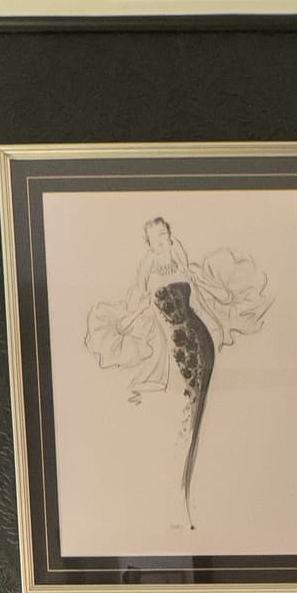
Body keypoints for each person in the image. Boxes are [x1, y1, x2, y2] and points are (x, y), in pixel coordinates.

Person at [83, 217, 273, 528]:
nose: (163, 239)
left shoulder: (180, 254)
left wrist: (221, 322)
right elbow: (141, 301)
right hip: (175, 347)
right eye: (156, 236)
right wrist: (123, 325)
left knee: (197, 412)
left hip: (199, 338)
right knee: (185, 414)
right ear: (147, 241)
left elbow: (196, 295)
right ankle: (176, 502)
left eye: (165, 234)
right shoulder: (146, 265)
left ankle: (189, 501)